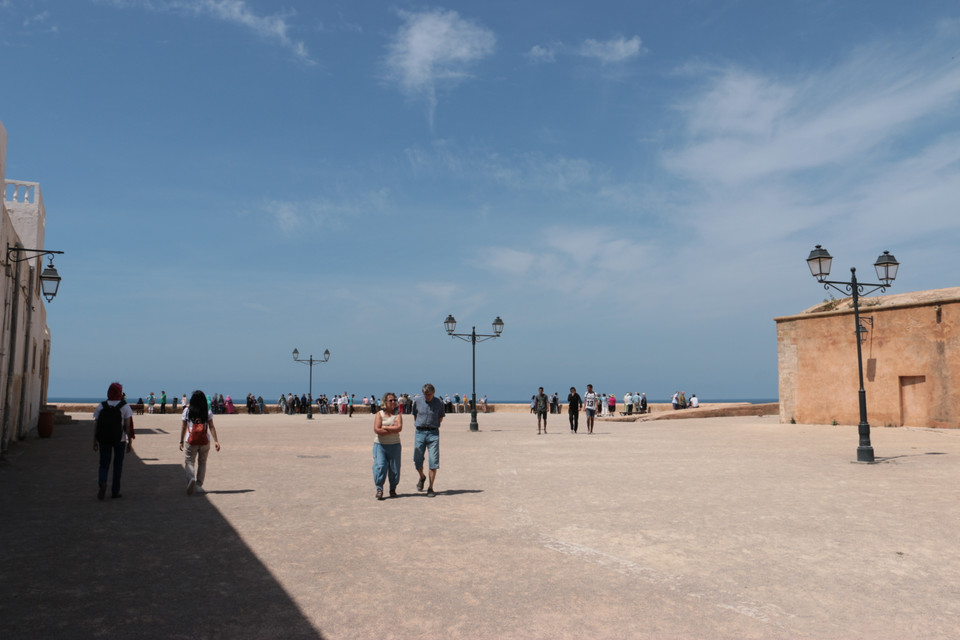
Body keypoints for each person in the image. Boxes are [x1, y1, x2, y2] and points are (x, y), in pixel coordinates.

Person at [93, 382, 135, 499]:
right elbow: (128, 426)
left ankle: (102, 483)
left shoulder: (101, 406)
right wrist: (129, 442)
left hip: (104, 439)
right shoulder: (124, 406)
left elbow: (96, 424)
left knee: (103, 464)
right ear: (120, 392)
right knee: (117, 466)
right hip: (119, 440)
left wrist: (94, 440)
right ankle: (115, 491)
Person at [179, 390, 221, 495]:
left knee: (189, 462)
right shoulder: (207, 411)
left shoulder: (187, 411)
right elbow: (211, 426)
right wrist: (216, 441)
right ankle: (198, 484)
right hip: (204, 440)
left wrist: (181, 441)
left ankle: (191, 478)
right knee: (202, 462)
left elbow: (184, 427)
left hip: (191, 440)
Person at [412, 383, 444, 497]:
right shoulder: (417, 401)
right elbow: (415, 415)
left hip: (433, 433)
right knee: (417, 459)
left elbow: (441, 417)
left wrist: (432, 425)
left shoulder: (439, 403)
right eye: (425, 394)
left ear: (433, 393)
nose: (427, 397)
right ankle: (422, 477)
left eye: (429, 394)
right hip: (419, 432)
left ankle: (430, 488)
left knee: (433, 460)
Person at [372, 392, 403, 500]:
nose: (393, 402)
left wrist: (385, 427)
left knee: (395, 469)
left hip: (394, 445)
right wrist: (391, 428)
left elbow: (399, 428)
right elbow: (377, 429)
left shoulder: (398, 414)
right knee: (380, 467)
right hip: (380, 445)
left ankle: (392, 489)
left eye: (394, 400)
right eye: (391, 400)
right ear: (385, 402)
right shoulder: (379, 414)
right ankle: (379, 489)